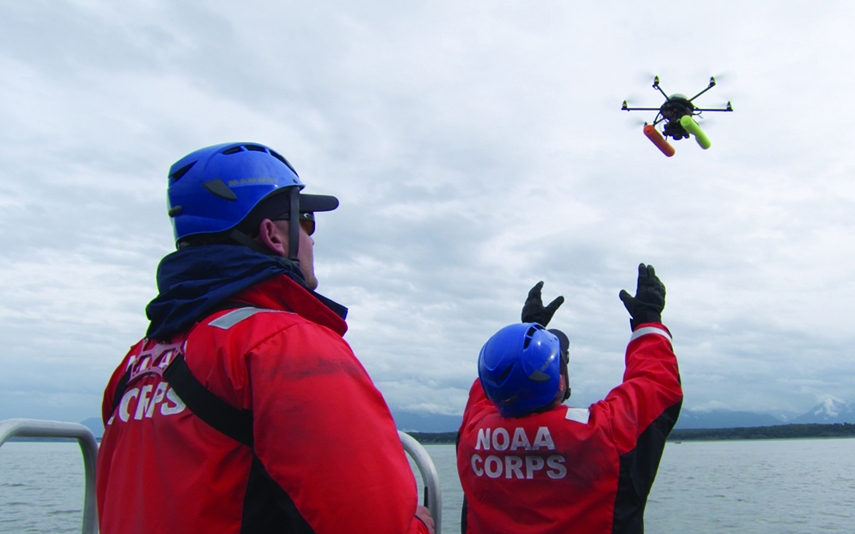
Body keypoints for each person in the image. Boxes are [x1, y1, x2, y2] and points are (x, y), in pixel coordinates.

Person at [96, 142, 433, 534]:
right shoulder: (285, 345)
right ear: (272, 235)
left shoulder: (139, 361)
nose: (312, 237)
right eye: (305, 219)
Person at [456, 264, 683, 534]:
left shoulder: (473, 435)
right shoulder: (604, 436)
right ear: (559, 381)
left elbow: (495, 379)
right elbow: (656, 384)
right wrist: (648, 319)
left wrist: (528, 332)